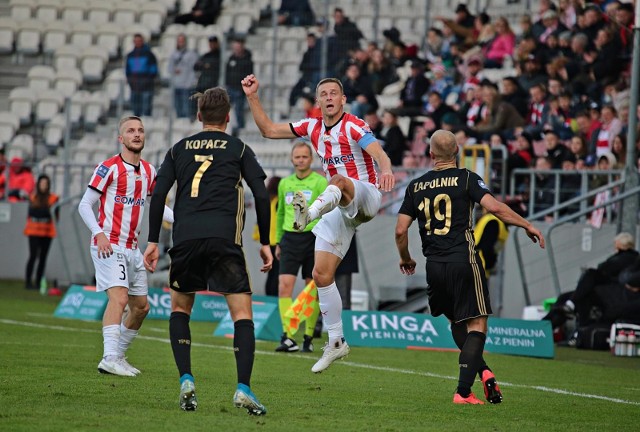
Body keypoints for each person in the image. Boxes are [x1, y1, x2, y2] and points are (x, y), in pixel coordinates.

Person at [242, 74, 395, 373]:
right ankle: (336, 341)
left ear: (342, 99)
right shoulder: (312, 127)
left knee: (337, 180)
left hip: (365, 195)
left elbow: (376, 150)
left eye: (334, 93)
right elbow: (269, 130)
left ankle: (308, 215)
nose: (328, 97)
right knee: (321, 274)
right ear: (318, 101)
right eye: (323, 93)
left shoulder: (353, 124)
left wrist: (386, 167)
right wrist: (252, 96)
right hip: (338, 204)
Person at [142, 87, 272, 414]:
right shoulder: (239, 148)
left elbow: (158, 196)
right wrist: (267, 242)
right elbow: (260, 192)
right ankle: (243, 387)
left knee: (180, 309)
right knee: (242, 314)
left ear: (199, 116)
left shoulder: (177, 149)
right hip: (224, 239)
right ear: (228, 117)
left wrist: (154, 240)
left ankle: (186, 378)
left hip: (185, 239)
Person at [394, 129, 544, 404]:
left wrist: (405, 258)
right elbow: (496, 208)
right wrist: (526, 224)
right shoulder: (466, 179)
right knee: (477, 323)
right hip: (463, 260)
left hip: (434, 266)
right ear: (457, 154)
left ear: (430, 155)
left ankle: (483, 371)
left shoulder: (415, 186)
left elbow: (400, 230)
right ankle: (463, 392)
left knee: (457, 322)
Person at [77, 116, 171, 377]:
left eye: (140, 130)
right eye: (130, 131)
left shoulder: (150, 171)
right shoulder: (108, 168)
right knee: (118, 298)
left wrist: (184, 220)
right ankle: (109, 357)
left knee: (141, 308)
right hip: (108, 244)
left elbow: (159, 207)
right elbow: (84, 204)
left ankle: (117, 356)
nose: (137, 134)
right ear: (121, 138)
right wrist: (99, 233)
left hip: (132, 248)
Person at [274, 142, 327, 353]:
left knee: (310, 290)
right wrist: (278, 241)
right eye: (297, 157)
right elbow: (279, 214)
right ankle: (288, 336)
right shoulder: (285, 183)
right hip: (290, 239)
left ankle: (308, 337)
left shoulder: (320, 183)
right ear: (291, 159)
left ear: (311, 159)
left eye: (305, 156)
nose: (301, 160)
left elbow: (326, 213)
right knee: (284, 287)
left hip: (313, 239)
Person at [23, 174, 59, 290]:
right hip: (33, 231)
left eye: (45, 184)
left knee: (43, 258)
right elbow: (33, 213)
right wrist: (44, 211)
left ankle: (38, 283)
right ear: (38, 185)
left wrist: (43, 211)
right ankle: (28, 282)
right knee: (33, 256)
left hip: (47, 232)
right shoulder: (33, 197)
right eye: (41, 183)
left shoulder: (53, 198)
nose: (43, 186)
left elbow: (53, 215)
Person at [225, 38, 254, 136]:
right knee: (224, 107)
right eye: (235, 47)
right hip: (230, 87)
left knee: (238, 109)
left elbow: (249, 75)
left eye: (238, 47)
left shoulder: (247, 60)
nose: (236, 49)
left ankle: (240, 128)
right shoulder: (231, 58)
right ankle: (227, 126)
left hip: (240, 89)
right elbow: (227, 72)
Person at [125, 34, 158, 117]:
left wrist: (148, 80)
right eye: (136, 41)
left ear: (142, 41)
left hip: (146, 86)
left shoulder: (149, 54)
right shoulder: (130, 55)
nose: (137, 42)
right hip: (134, 85)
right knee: (135, 108)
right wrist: (130, 81)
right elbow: (128, 70)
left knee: (146, 107)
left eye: (139, 41)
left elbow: (154, 70)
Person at [168, 34, 199, 119]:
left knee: (187, 110)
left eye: (182, 41)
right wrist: (174, 71)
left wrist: (190, 83)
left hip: (187, 86)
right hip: (176, 85)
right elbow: (170, 68)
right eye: (179, 41)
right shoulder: (173, 55)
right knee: (178, 110)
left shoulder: (191, 55)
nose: (180, 43)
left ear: (185, 42)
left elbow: (194, 70)